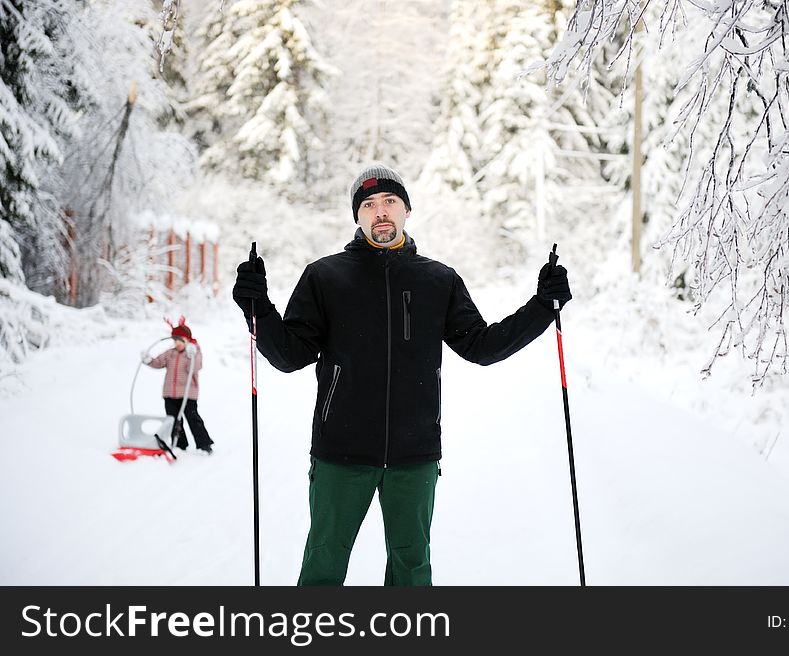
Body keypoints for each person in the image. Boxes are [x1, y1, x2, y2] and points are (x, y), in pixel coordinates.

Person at [232, 163, 571, 586]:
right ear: (357, 216)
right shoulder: (325, 276)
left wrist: (542, 307)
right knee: (323, 566)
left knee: (412, 571)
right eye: (369, 205)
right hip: (340, 452)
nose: (380, 213)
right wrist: (257, 308)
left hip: (414, 456)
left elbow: (482, 346)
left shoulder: (438, 280)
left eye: (389, 201)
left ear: (407, 210)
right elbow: (289, 355)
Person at [142, 317, 214, 454]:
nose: (177, 344)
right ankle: (180, 444)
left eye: (180, 341)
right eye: (175, 341)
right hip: (170, 393)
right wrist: (148, 360)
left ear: (187, 340)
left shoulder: (194, 352)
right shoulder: (170, 353)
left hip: (188, 394)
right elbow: (158, 363)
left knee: (193, 418)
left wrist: (191, 355)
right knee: (173, 420)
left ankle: (204, 444)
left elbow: (195, 367)